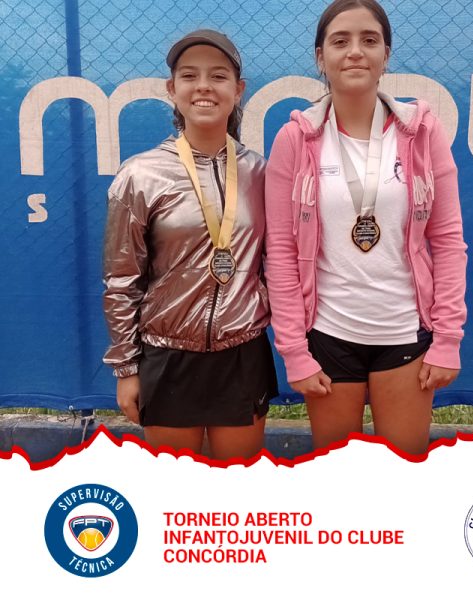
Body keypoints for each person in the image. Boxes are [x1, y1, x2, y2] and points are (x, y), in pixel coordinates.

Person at [265, 0, 467, 454]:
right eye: (341, 41)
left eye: (369, 40)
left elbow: (448, 241)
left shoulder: (422, 133)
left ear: (385, 56)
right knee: (338, 478)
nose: (355, 51)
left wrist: (448, 339)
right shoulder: (295, 139)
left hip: (405, 334)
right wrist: (294, 350)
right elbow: (280, 251)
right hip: (328, 337)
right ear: (321, 58)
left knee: (403, 471)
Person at [102, 29, 277, 460]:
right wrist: (127, 368)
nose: (203, 86)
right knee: (175, 490)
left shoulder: (262, 174)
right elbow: (122, 279)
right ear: (171, 89)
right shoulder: (140, 175)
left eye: (218, 76)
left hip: (242, 355)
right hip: (167, 357)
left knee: (237, 486)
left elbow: (279, 264)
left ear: (238, 90)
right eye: (189, 75)